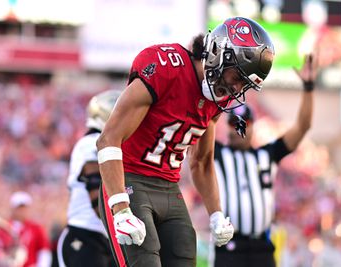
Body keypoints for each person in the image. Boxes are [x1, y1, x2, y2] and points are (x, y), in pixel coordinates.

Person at [96, 16, 275, 267]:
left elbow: (201, 161)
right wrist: (120, 207)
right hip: (130, 179)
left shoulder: (217, 99)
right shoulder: (165, 68)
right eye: (236, 76)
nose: (235, 88)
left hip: (169, 188)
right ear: (218, 53)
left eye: (242, 84)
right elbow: (108, 139)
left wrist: (216, 213)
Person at [210, 54, 316, 267]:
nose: (240, 129)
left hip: (262, 248)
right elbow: (200, 128)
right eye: (234, 123)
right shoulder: (217, 153)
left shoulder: (268, 154)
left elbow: (302, 127)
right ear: (227, 126)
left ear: (253, 126)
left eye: (245, 123)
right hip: (229, 247)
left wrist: (308, 87)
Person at [56, 90, 121, 267]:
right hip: (85, 235)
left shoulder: (107, 143)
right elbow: (96, 186)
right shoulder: (92, 142)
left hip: (106, 238)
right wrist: (123, 219)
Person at [1, 191, 52, 267]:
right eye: (19, 208)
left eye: (24, 208)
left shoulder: (36, 228)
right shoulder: (4, 227)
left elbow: (44, 252)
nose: (22, 211)